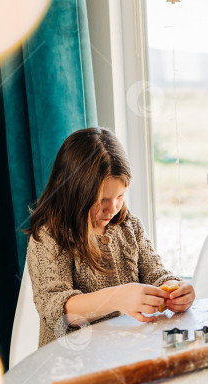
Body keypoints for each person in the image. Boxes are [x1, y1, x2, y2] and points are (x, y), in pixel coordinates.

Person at [26, 128, 195, 347]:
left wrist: (174, 288)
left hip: (126, 349)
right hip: (71, 360)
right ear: (73, 190)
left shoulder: (128, 225)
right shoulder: (49, 235)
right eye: (102, 199)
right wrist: (116, 298)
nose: (112, 208)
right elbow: (55, 309)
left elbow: (155, 272)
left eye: (120, 196)